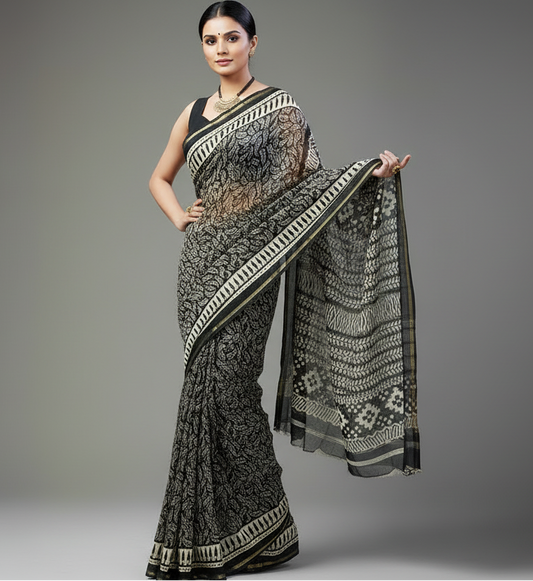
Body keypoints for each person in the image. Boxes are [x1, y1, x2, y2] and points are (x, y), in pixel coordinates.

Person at [146, 2, 419, 580]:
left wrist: (368, 173)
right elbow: (159, 177)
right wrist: (180, 217)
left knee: (231, 389)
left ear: (253, 42)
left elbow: (311, 186)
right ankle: (216, 537)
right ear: (202, 47)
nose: (221, 48)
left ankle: (264, 528)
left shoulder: (281, 109)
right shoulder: (192, 113)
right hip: (200, 268)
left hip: (253, 269)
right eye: (210, 40)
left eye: (232, 37)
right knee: (203, 391)